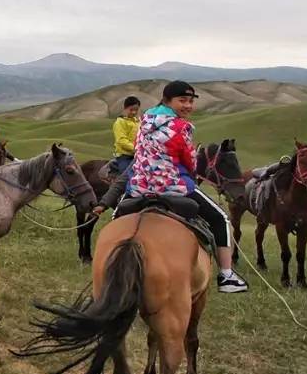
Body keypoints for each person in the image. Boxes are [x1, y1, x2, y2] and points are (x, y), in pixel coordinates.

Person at [91, 81, 248, 294]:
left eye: (190, 101)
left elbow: (139, 151)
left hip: (139, 186)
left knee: (117, 220)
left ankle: (108, 266)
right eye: (182, 100)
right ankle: (227, 275)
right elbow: (189, 162)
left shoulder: (144, 121)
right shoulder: (181, 126)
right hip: (173, 185)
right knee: (221, 218)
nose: (188, 106)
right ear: (167, 101)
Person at [108, 96, 140, 177]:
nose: (134, 112)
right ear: (125, 108)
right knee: (127, 177)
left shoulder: (138, 122)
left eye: (136, 110)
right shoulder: (120, 122)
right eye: (131, 109)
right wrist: (136, 148)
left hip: (138, 154)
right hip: (125, 156)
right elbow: (121, 140)